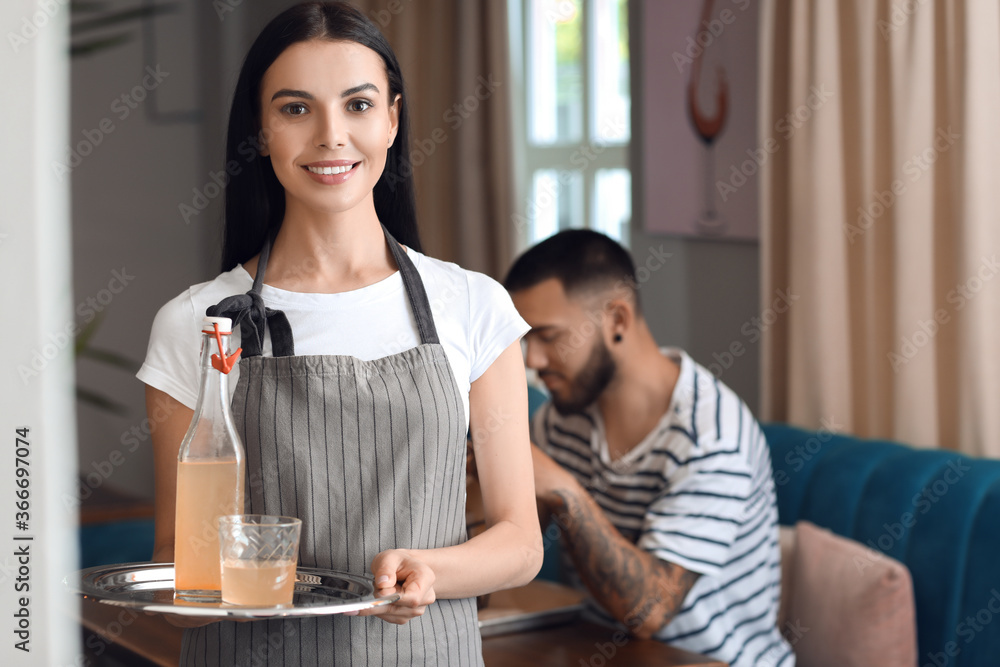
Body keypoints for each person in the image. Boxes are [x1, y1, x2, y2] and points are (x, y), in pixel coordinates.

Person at [137, 3, 542, 664]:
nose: (332, 135)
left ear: (393, 118)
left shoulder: (472, 305)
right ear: (262, 129)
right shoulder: (198, 321)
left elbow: (521, 541)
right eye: (296, 109)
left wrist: (431, 570)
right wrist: (207, 582)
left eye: (357, 105)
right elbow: (179, 572)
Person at [503, 229, 794, 667]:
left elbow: (649, 611)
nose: (533, 360)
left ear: (617, 320)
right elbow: (509, 536)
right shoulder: (564, 415)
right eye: (526, 339)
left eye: (548, 336)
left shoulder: (711, 433)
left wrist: (564, 491)